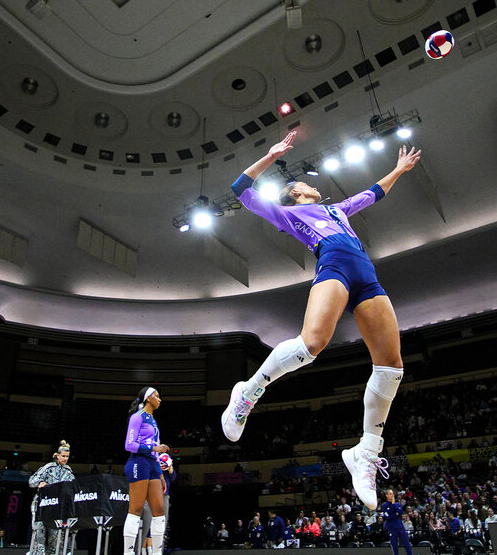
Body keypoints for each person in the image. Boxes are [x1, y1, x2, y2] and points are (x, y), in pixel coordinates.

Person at [221, 131, 422, 508]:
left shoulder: (337, 210)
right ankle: (247, 394)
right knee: (311, 344)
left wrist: (397, 170)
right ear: (296, 194)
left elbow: (372, 193)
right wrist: (271, 154)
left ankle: (366, 451)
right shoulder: (288, 213)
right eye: (303, 183)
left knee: (392, 366)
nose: (310, 184)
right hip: (333, 266)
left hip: (366, 274)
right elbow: (240, 188)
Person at [123, 388, 169, 555]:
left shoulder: (152, 419)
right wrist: (153, 447)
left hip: (152, 464)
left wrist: (160, 474)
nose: (159, 399)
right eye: (156, 396)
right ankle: (128, 553)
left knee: (159, 511)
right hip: (138, 462)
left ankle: (157, 553)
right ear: (148, 398)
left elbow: (154, 450)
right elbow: (129, 445)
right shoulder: (137, 417)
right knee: (135, 509)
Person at [29, 441, 75, 555]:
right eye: (63, 456)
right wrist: (40, 482)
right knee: (39, 535)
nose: (65, 459)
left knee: (56, 537)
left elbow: (74, 488)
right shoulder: (48, 467)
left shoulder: (69, 472)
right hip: (41, 506)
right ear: (57, 455)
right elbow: (31, 481)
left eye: (67, 457)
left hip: (57, 508)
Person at [142, 454, 175, 554]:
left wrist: (170, 468)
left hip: (164, 495)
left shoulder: (167, 464)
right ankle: (143, 549)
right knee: (147, 522)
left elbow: (173, 477)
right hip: (151, 495)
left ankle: (155, 549)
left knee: (161, 522)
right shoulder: (152, 462)